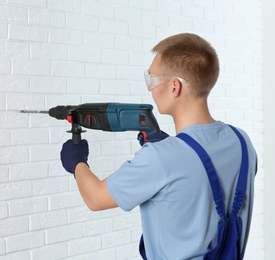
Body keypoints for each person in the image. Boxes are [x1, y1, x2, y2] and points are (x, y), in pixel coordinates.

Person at [60, 33, 257, 259]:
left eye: (153, 80)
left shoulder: (160, 158)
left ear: (174, 87)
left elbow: (95, 198)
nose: (150, 89)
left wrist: (76, 162)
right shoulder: (243, 142)